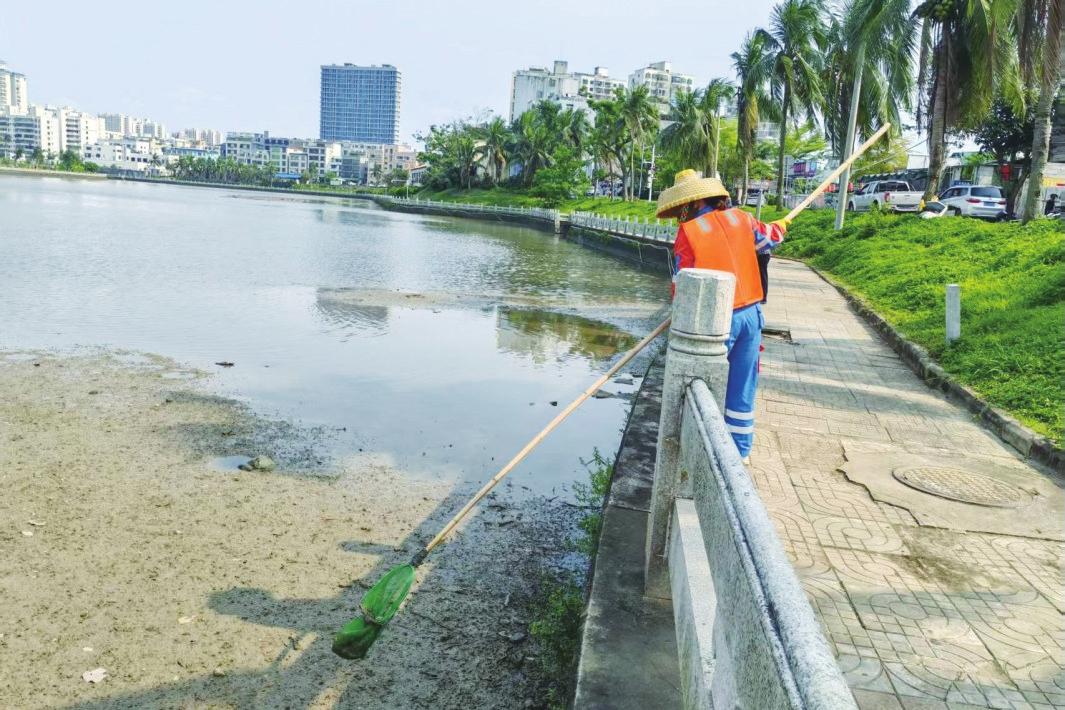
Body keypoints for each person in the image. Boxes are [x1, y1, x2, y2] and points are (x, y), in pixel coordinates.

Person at [657, 169, 789, 463]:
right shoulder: (742, 218)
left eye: (681, 207)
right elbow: (768, 240)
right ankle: (739, 454)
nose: (680, 214)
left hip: (717, 321)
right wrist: (780, 226)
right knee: (742, 385)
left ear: (692, 203)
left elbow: (683, 283)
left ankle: (702, 453)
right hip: (751, 315)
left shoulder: (689, 232)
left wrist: (678, 314)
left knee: (703, 384)